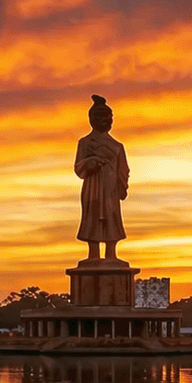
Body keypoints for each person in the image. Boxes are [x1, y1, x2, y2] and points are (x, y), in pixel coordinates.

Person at [74, 94, 129, 261]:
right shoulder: (85, 142)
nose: (106, 121)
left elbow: (123, 168)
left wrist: (122, 185)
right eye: (101, 117)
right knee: (92, 218)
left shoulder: (117, 146)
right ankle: (93, 254)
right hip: (93, 188)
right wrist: (91, 162)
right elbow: (78, 168)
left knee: (112, 218)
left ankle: (111, 253)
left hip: (110, 189)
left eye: (108, 117)